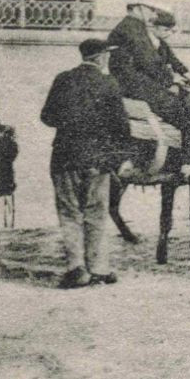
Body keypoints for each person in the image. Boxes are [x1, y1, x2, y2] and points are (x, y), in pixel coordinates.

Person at [40, 39, 132, 289]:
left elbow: (47, 117)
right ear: (101, 57)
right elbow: (122, 127)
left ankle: (76, 269)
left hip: (65, 158)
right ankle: (99, 268)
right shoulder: (109, 83)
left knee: (69, 213)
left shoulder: (63, 79)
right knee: (96, 213)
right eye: (107, 55)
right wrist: (118, 157)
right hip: (98, 159)